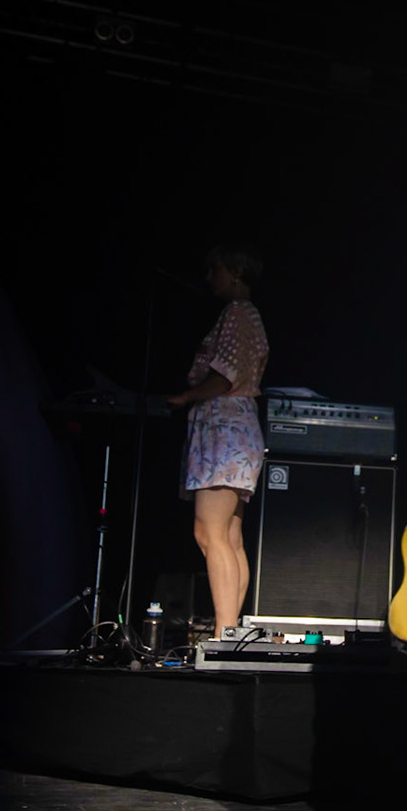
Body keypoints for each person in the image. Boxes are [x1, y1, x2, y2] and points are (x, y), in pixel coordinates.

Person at [168, 246, 269, 636]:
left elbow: (226, 375)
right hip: (232, 428)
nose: (210, 278)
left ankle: (225, 634)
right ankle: (229, 632)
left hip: (225, 427)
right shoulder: (246, 316)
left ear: (237, 271)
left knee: (210, 532)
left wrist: (187, 396)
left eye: (216, 270)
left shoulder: (239, 314)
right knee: (227, 534)